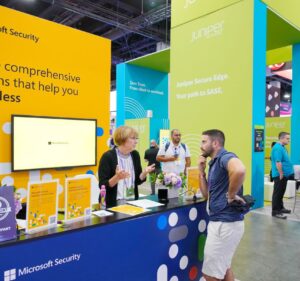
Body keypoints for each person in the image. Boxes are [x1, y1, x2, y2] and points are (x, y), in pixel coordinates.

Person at [198, 129, 246, 281]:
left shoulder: (225, 157)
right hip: (223, 223)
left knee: (209, 274)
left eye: (204, 142)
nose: (201, 145)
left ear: (215, 143)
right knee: (224, 268)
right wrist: (201, 171)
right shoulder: (215, 163)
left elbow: (239, 170)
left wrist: (231, 195)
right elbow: (206, 195)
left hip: (224, 225)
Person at [98, 126, 155, 207]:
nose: (136, 142)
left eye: (136, 138)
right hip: (112, 203)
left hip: (132, 202)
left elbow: (138, 181)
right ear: (122, 139)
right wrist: (117, 177)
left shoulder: (135, 155)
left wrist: (145, 173)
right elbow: (102, 185)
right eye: (133, 138)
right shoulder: (108, 156)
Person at [271, 132, 294, 219]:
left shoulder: (282, 147)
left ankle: (280, 208)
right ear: (281, 138)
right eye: (287, 139)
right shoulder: (277, 148)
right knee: (277, 193)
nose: (289, 140)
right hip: (279, 175)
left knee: (281, 192)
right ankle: (275, 211)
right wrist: (281, 173)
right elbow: (278, 162)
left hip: (284, 175)